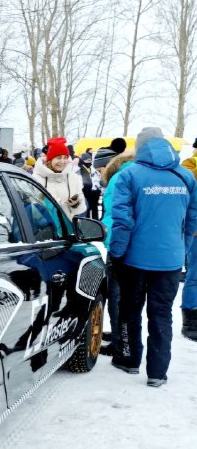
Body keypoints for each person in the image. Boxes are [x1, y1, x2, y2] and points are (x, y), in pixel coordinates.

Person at [109, 127, 197, 387]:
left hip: (135, 259)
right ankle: (158, 373)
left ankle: (128, 359)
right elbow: (191, 219)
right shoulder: (184, 176)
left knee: (130, 309)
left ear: (139, 147)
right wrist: (180, 247)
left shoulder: (129, 175)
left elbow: (122, 222)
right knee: (161, 314)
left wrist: (116, 253)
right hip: (170, 260)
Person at [99, 150, 135, 357]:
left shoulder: (118, 178)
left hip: (119, 242)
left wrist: (107, 237)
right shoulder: (139, 173)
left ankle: (119, 342)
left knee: (116, 294)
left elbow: (114, 214)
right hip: (139, 243)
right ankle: (124, 337)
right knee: (130, 295)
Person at [32, 137, 87, 220]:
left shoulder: (73, 178)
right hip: (45, 228)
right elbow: (32, 208)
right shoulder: (37, 178)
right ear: (50, 160)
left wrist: (75, 204)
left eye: (65, 158)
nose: (62, 162)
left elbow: (80, 205)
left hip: (67, 227)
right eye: (58, 158)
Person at [78, 152, 99, 219]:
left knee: (94, 207)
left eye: (90, 160)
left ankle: (95, 220)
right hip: (86, 191)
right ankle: (87, 221)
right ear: (83, 160)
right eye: (87, 160)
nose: (89, 162)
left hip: (94, 191)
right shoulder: (80, 169)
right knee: (87, 207)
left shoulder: (92, 167)